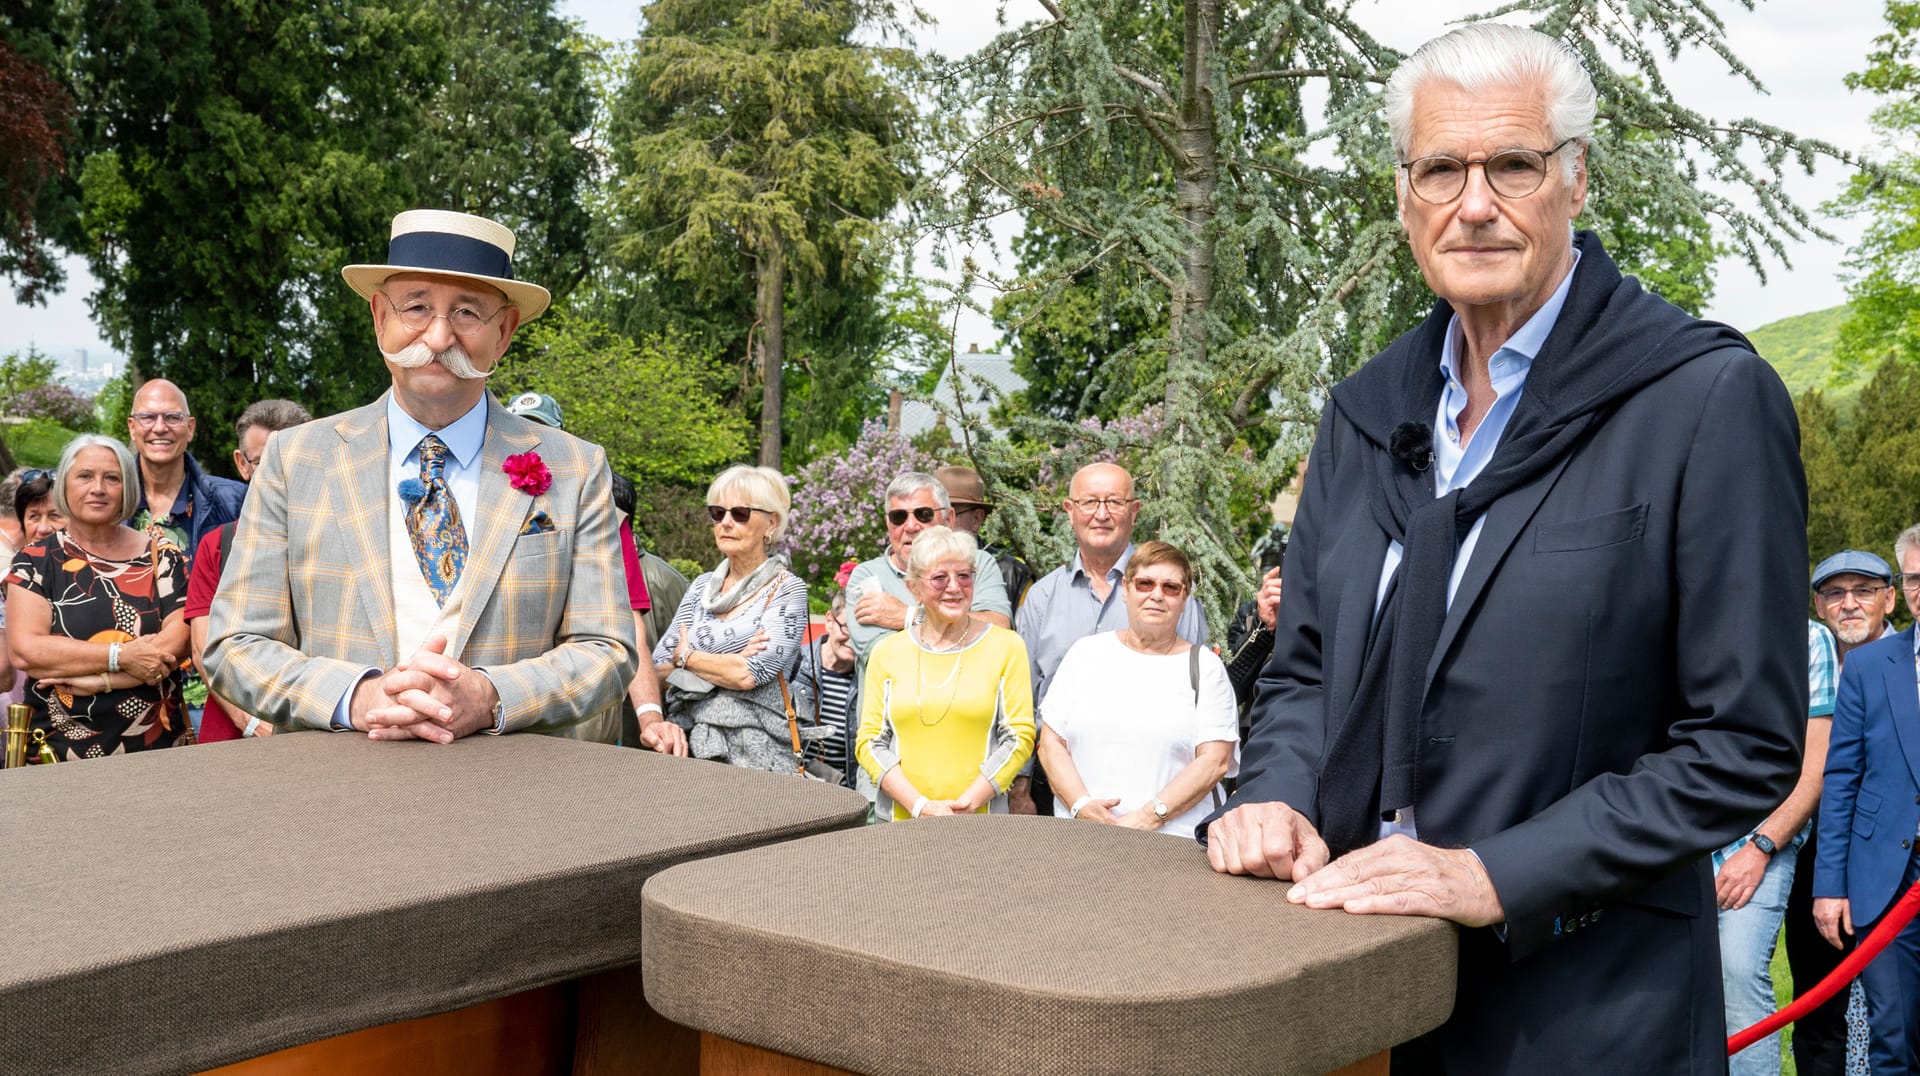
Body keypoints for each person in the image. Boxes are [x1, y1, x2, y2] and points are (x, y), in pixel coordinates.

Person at [1202, 25, 1804, 1073]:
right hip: (1350, 993)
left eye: (1512, 164)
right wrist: (1276, 795)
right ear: (1404, 198)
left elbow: (1743, 742)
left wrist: (1491, 872)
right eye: (1441, 168)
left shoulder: (1700, 400)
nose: (1473, 204)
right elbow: (1302, 664)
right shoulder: (1365, 409)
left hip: (1581, 1014)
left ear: (1576, 180)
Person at [203, 209, 637, 741]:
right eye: (416, 307)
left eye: (467, 313)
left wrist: (490, 695)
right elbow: (236, 644)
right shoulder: (296, 460)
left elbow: (607, 650)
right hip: (337, 794)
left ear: (503, 332)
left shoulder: (575, 467)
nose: (437, 336)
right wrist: (357, 698)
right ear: (378, 316)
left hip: (520, 800)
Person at [1017, 462, 1207, 815]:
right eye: (1089, 502)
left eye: (1114, 503)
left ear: (1134, 512)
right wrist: (1021, 785)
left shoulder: (1171, 596)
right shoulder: (1042, 599)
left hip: (1156, 791)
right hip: (1055, 789)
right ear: (1070, 511)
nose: (1101, 514)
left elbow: (1198, 698)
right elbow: (1022, 700)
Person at [503, 390, 673, 750]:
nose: (531, 447)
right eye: (517, 431)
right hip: (495, 706)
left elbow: (628, 624)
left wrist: (650, 714)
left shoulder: (604, 515)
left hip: (576, 714)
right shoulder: (474, 506)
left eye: (544, 434)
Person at [4, 435, 191, 759]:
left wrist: (104, 680)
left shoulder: (162, 556)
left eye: (112, 478)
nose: (98, 488)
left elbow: (179, 639)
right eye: (85, 476)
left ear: (128, 488)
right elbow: (27, 650)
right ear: (64, 486)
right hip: (58, 751)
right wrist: (121, 656)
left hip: (158, 750)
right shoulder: (34, 561)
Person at [1036, 541, 1237, 839]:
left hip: (1171, 847)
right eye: (1145, 584)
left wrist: (1147, 819)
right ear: (1126, 590)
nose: (1156, 595)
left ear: (1185, 598)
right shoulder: (1086, 654)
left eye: (1171, 587)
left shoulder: (1204, 668)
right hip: (1079, 837)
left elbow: (1215, 760)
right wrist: (1080, 805)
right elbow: (1051, 742)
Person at [1814, 529, 1920, 1076]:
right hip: (1889, 875)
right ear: (1904, 588)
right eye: (1916, 578)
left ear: (1885, 600)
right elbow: (1842, 781)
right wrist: (1831, 886)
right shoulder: (1869, 666)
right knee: (1893, 1038)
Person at [1714, 615, 1839, 1076]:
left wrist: (1761, 846)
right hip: (1684, 836)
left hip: (1760, 838)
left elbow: (1815, 765)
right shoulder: (1684, 627)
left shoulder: (1807, 637)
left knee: (1740, 973)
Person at [1795, 548, 1898, 1076]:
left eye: (1864, 591)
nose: (1850, 605)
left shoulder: (1908, 662)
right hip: (1815, 854)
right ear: (1818, 604)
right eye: (1836, 594)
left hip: (1893, 855)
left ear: (1889, 598)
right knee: (1818, 1002)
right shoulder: (1805, 663)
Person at [855, 526, 1034, 820]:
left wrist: (968, 804)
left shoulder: (1007, 646)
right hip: (900, 821)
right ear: (914, 589)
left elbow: (1019, 737)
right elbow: (870, 741)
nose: (954, 587)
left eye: (964, 576)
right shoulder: (887, 652)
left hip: (980, 818)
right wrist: (920, 806)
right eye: (940, 578)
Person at [650, 464, 809, 771]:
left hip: (756, 755)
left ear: (771, 523)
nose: (725, 522)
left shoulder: (787, 589)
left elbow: (749, 674)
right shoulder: (700, 587)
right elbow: (659, 670)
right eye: (717, 513)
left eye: (740, 513)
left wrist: (687, 656)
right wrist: (731, 658)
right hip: (685, 744)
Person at [183, 399, 314, 742]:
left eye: (292, 458)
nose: (280, 472)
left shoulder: (339, 541)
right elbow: (203, 651)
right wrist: (253, 723)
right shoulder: (217, 545)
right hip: (234, 732)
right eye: (265, 461)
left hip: (318, 726)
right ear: (242, 464)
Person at [126, 379, 247, 564]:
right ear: (132, 429)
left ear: (190, 428)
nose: (159, 428)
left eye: (173, 417)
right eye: (147, 417)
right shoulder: (110, 500)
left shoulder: (234, 501)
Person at [934, 465, 1034, 615]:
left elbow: (1024, 634)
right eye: (930, 513)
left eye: (950, 514)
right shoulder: (915, 565)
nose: (938, 522)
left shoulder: (1013, 573)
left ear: (977, 519)